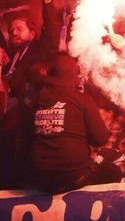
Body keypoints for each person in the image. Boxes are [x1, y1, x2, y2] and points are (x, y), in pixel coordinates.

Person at [28, 53, 112, 193]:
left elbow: (25, 140)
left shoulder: (35, 102)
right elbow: (100, 139)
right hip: (74, 178)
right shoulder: (82, 100)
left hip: (40, 179)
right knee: (112, 171)